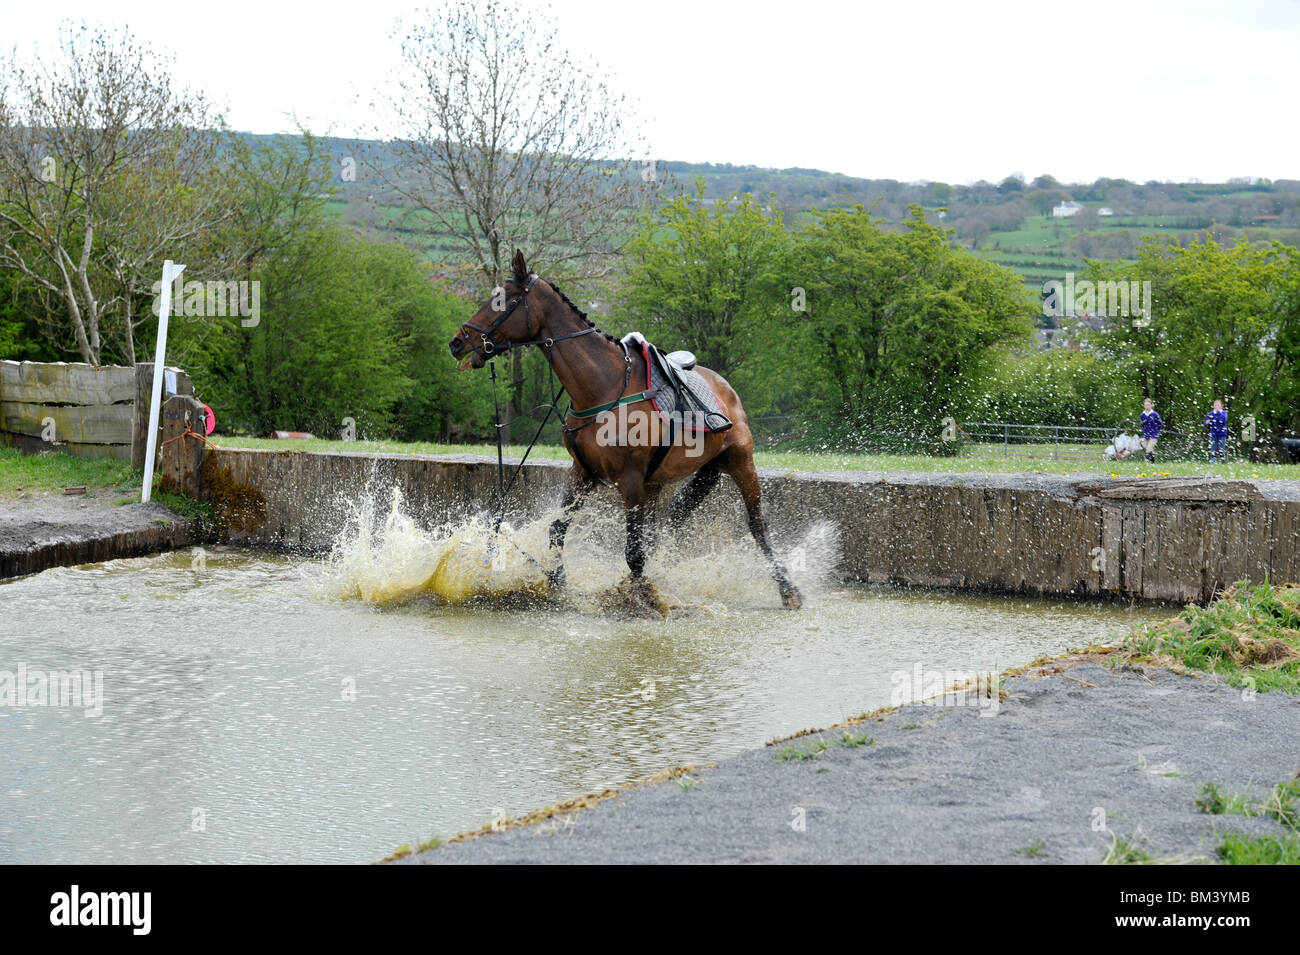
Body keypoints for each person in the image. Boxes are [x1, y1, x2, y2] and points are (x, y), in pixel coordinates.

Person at [1203, 399, 1228, 463]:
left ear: (1221, 406)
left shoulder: (1224, 413)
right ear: (1213, 406)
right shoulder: (1211, 413)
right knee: (1213, 447)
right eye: (1215, 405)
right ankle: (1213, 461)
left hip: (1222, 433)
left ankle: (1222, 461)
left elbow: (1224, 420)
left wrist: (1219, 412)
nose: (1216, 406)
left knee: (1221, 448)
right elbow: (1205, 422)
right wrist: (1206, 422)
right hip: (1213, 433)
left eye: (1218, 405)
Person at [1140, 398, 1162, 463]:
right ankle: (1152, 463)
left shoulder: (1155, 414)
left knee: (1148, 448)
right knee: (1150, 450)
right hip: (1147, 434)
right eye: (1146, 405)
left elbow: (1160, 424)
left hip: (1154, 434)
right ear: (1144, 406)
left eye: (1148, 405)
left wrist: (1156, 429)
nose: (1147, 407)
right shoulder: (1142, 415)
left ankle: (1146, 461)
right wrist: (1142, 423)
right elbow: (1143, 425)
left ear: (1151, 405)